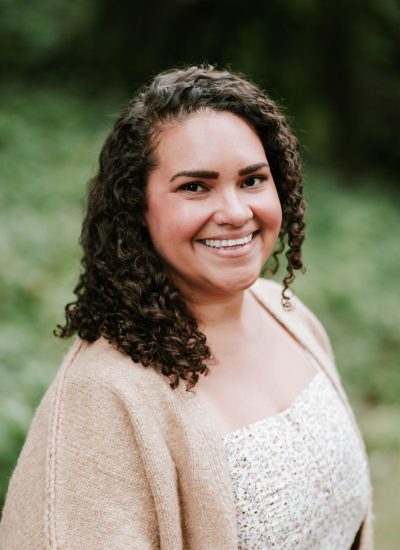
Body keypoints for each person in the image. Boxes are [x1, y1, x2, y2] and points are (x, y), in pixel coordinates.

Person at [0, 65, 373, 549]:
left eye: (252, 180)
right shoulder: (103, 396)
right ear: (138, 207)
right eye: (195, 186)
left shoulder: (286, 314)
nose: (236, 212)